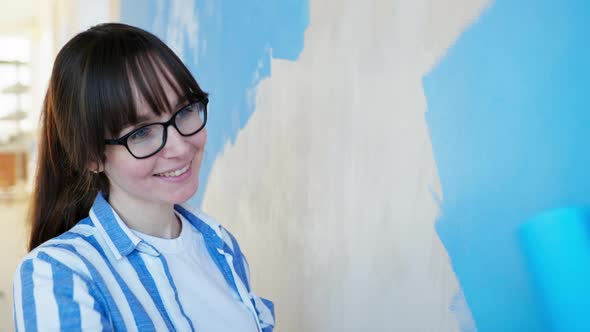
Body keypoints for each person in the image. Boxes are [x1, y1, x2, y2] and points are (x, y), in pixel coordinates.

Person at [12, 23, 275, 332]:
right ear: (92, 157)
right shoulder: (60, 274)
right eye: (142, 132)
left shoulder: (220, 245)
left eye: (185, 110)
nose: (180, 147)